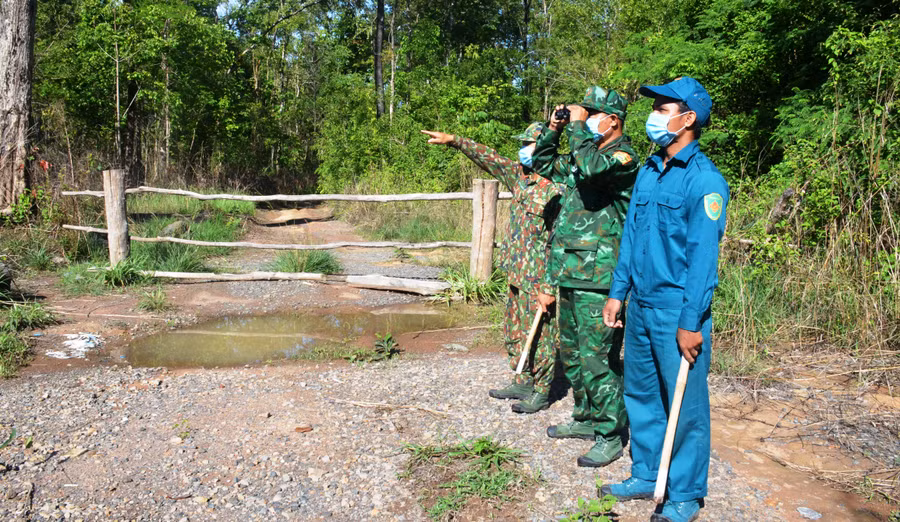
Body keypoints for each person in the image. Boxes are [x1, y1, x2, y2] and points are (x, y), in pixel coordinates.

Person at [599, 77, 729, 522]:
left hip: (678, 310)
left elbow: (702, 262)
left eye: (662, 107)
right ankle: (647, 472)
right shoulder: (649, 172)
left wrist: (691, 321)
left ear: (687, 118)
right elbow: (631, 239)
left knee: (686, 407)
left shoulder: (705, 181)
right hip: (641, 306)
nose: (654, 115)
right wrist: (619, 293)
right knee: (641, 393)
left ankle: (684, 495)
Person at [530, 86, 639, 467]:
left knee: (598, 359)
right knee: (573, 355)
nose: (586, 118)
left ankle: (609, 434)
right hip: (571, 272)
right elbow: (542, 165)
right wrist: (554, 129)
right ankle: (585, 418)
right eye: (584, 112)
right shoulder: (583, 152)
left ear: (613, 121)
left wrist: (577, 128)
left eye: (593, 114)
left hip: (600, 277)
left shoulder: (622, 158)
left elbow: (592, 168)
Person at [421, 124, 563, 413]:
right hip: (515, 272)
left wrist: (549, 287)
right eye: (521, 143)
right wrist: (454, 140)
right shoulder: (519, 177)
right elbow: (489, 158)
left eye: (528, 143)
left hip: (538, 279)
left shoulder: (555, 188)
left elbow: (558, 242)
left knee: (543, 336)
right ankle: (523, 378)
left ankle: (542, 389)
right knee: (515, 328)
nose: (522, 149)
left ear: (544, 147)